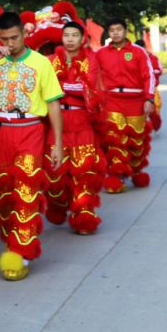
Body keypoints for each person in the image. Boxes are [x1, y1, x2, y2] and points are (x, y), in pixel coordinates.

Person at [0, 11, 63, 281]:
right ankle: (13, 241)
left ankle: (22, 251)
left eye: (15, 37)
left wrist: (58, 144)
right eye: (5, 38)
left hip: (30, 131)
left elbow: (53, 103)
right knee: (2, 193)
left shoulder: (41, 63)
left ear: (24, 34)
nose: (10, 43)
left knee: (26, 190)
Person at [46, 21, 106, 234]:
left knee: (84, 172)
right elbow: (45, 88)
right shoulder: (51, 61)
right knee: (54, 176)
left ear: (83, 39)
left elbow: (92, 89)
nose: (70, 39)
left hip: (82, 123)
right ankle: (59, 206)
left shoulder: (91, 60)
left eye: (74, 35)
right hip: (56, 122)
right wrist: (72, 87)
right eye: (66, 35)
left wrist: (62, 87)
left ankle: (84, 217)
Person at [96, 21, 156, 192]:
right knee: (116, 140)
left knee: (137, 141)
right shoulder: (100, 53)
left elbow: (148, 76)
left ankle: (136, 171)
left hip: (136, 101)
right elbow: (93, 76)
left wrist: (149, 99)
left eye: (118, 30)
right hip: (112, 101)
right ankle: (116, 176)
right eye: (112, 30)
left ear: (125, 31)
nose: (115, 33)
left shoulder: (138, 52)